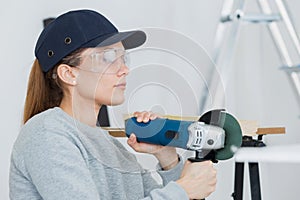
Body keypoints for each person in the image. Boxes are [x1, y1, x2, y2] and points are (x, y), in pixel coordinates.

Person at [9, 9, 217, 200]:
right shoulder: (47, 133)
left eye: (123, 57)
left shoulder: (111, 147)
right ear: (69, 74)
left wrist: (167, 158)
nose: (124, 69)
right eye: (107, 57)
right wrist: (183, 189)